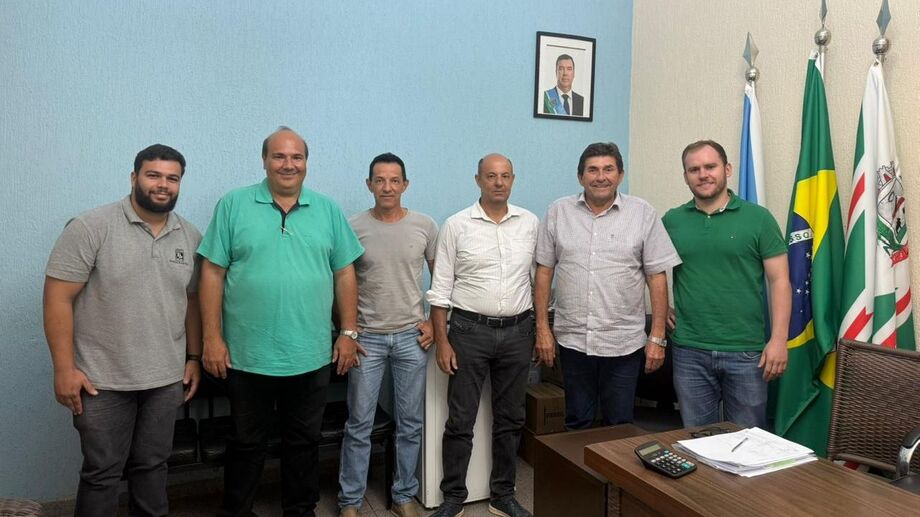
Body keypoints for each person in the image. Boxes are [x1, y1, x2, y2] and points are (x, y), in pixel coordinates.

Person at [197, 127, 364, 517]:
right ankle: (238, 511)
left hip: (311, 353)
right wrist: (211, 338)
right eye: (279, 156)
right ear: (265, 160)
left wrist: (349, 333)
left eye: (296, 157)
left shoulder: (327, 209)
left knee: (303, 441)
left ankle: (300, 510)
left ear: (306, 163)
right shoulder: (233, 205)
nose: (288, 164)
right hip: (246, 353)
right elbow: (211, 273)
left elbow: (345, 274)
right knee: (246, 442)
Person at [43, 144, 202, 517]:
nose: (162, 185)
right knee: (102, 474)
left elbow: (192, 301)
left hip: (164, 380)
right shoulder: (91, 227)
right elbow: (57, 298)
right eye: (153, 175)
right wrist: (64, 369)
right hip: (101, 381)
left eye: (172, 178)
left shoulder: (190, 236)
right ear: (134, 177)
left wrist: (193, 357)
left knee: (152, 468)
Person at [534, 142, 680, 429]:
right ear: (580, 177)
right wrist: (542, 329)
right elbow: (544, 272)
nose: (600, 177)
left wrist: (658, 338)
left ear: (620, 175)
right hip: (573, 340)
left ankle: (614, 476)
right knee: (577, 421)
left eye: (608, 169)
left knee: (620, 425)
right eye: (592, 170)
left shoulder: (642, 213)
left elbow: (656, 277)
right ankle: (579, 477)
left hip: (623, 344)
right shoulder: (558, 212)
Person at [425, 154, 537, 517]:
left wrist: (541, 330)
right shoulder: (456, 225)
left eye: (505, 176)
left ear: (513, 179)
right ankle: (453, 497)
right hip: (468, 332)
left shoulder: (530, 223)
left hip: (519, 330)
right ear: (478, 180)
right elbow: (440, 289)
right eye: (491, 176)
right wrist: (442, 341)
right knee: (461, 419)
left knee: (511, 419)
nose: (499, 182)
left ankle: (502, 495)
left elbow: (540, 281)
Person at [662, 140, 790, 429]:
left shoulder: (758, 219)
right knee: (697, 440)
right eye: (694, 169)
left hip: (745, 351)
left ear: (727, 169)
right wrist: (662, 309)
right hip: (689, 349)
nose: (703, 174)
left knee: (747, 441)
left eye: (710, 166)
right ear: (685, 177)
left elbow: (780, 280)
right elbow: (648, 267)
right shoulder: (672, 220)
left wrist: (779, 339)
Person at [337, 153, 438, 517]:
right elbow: (341, 280)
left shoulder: (425, 225)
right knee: (359, 424)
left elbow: (441, 279)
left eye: (395, 180)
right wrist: (348, 329)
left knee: (410, 423)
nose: (387, 187)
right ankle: (350, 500)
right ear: (369, 185)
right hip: (368, 341)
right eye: (379, 180)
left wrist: (433, 322)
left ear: (405, 185)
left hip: (412, 339)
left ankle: (403, 495)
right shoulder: (352, 226)